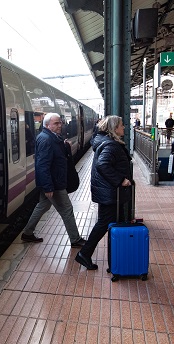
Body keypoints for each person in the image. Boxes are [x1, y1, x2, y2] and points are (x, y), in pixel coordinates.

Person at [75, 115, 132, 270]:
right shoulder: (110, 145)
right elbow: (103, 165)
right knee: (104, 224)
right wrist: (121, 180)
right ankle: (84, 254)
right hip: (110, 192)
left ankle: (116, 259)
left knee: (112, 223)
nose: (124, 127)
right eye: (122, 125)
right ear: (114, 128)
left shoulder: (107, 142)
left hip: (109, 192)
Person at [21, 112, 86, 247]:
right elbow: (42, 165)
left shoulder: (51, 137)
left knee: (43, 205)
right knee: (67, 209)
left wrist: (64, 145)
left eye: (60, 122)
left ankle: (27, 233)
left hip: (54, 180)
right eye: (56, 123)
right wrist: (48, 186)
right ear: (47, 125)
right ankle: (75, 239)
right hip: (54, 183)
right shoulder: (46, 139)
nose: (60, 125)